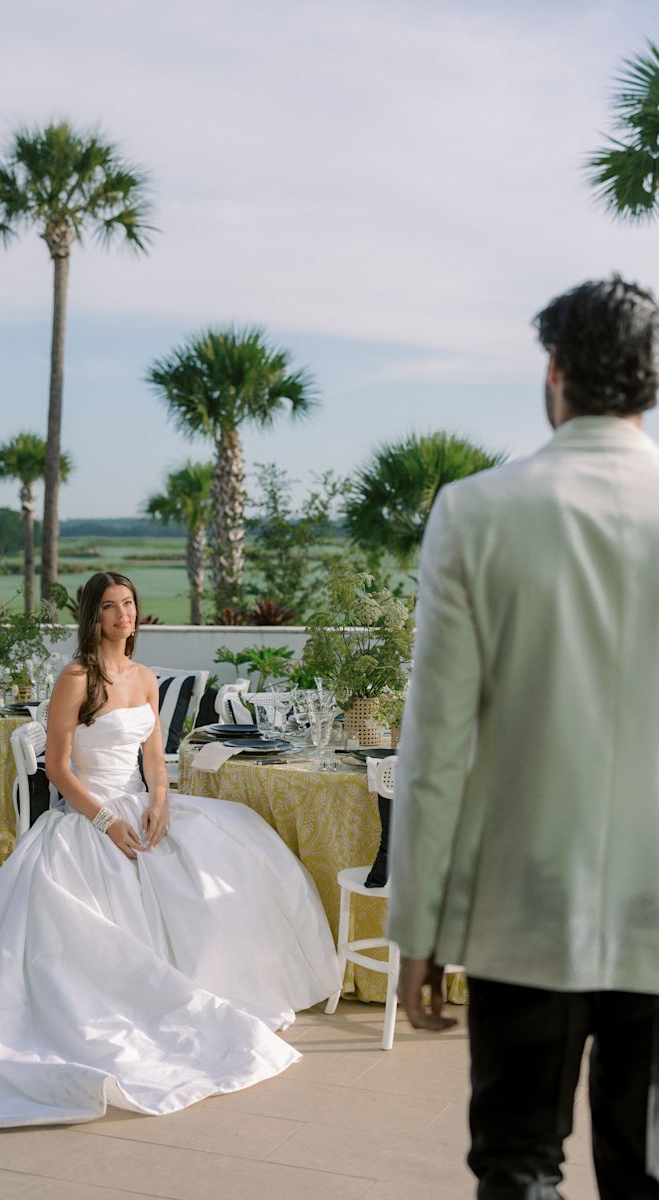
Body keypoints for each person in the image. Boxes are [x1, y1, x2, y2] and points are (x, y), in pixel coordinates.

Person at [0, 571, 340, 1133]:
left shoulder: (143, 677)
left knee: (236, 845)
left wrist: (160, 801)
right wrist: (108, 821)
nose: (123, 616)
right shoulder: (75, 679)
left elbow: (155, 759)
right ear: (92, 617)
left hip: (141, 805)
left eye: (130, 604)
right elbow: (59, 769)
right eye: (110, 607)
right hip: (91, 815)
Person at [387, 276, 659, 1198]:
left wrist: (417, 926)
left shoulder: (476, 512)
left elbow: (435, 751)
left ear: (554, 373)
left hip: (522, 914)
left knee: (516, 1166)